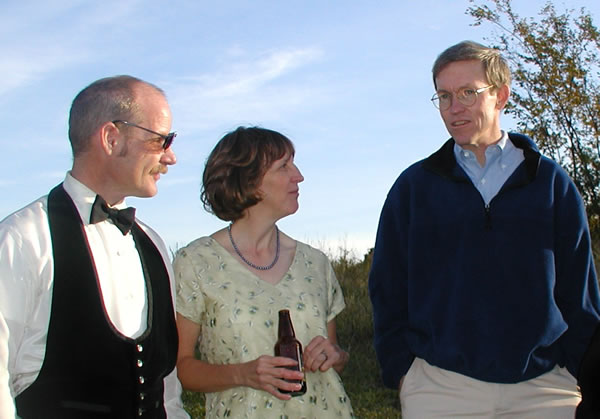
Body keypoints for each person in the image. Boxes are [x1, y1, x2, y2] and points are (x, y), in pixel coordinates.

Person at [368, 40, 600, 418]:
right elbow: (387, 286)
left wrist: (582, 372)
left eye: (467, 93)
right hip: (439, 388)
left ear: (500, 96)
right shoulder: (414, 187)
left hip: (545, 389)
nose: (454, 107)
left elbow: (580, 291)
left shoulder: (550, 182)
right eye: (444, 96)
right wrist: (402, 372)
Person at [0, 75, 189, 418]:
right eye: (161, 140)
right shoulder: (23, 239)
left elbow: (167, 390)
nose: (171, 157)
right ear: (111, 138)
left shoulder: (154, 245)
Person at [173, 126, 354, 418]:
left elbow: (336, 357)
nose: (299, 176)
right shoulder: (195, 263)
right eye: (284, 166)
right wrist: (242, 374)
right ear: (249, 181)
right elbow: (180, 368)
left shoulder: (316, 263)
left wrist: (335, 355)